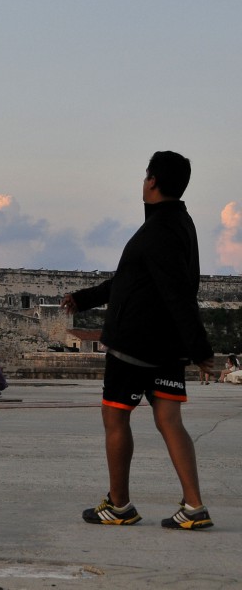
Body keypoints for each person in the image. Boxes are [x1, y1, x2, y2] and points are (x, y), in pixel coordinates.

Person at [62, 151, 215, 530]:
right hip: (167, 348)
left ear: (152, 181)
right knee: (169, 420)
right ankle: (194, 506)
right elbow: (131, 281)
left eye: (146, 175)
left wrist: (201, 349)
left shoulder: (157, 231)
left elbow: (177, 293)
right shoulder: (180, 224)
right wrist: (84, 298)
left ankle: (119, 505)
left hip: (134, 347)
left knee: (115, 417)